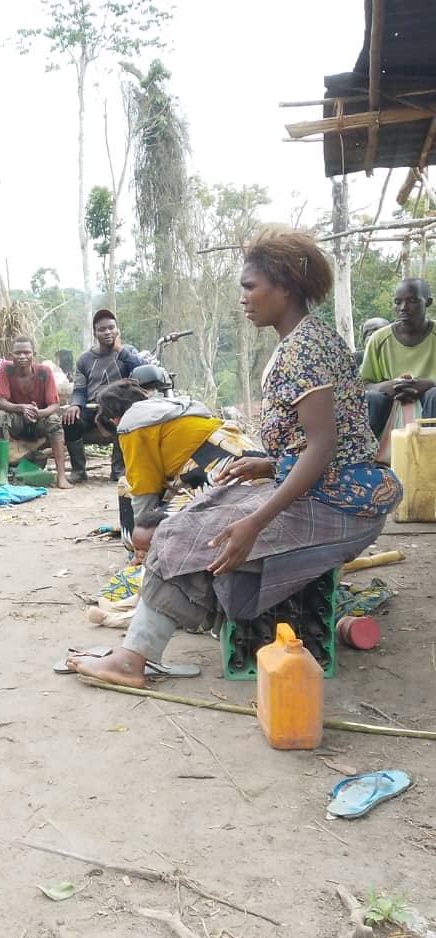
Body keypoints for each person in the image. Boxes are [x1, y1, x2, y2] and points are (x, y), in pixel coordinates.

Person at [69, 228, 401, 687]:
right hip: (335, 487)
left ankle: (134, 658)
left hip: (339, 501)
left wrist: (255, 522)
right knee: (199, 513)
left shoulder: (304, 350)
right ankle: (139, 650)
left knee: (193, 533)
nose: (243, 299)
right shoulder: (310, 339)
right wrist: (267, 465)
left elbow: (323, 448)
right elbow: (324, 440)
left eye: (250, 287)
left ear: (284, 285)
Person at [95, 379, 266, 549]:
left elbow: (144, 487)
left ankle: (137, 550)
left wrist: (141, 535)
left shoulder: (132, 424)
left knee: (126, 488)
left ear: (113, 419)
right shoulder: (175, 408)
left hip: (222, 478)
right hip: (257, 468)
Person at [63, 309, 142, 481]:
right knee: (70, 420)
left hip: (116, 408)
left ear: (117, 330)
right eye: (102, 329)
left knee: (126, 420)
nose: (107, 332)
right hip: (92, 408)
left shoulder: (126, 352)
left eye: (111, 328)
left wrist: (119, 349)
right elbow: (79, 389)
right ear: (95, 333)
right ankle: (78, 471)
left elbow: (139, 369)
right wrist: (75, 404)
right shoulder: (85, 359)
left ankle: (118, 470)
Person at [360, 278, 436, 449]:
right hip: (390, 411)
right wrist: (383, 387)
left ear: (428, 302)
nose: (403, 307)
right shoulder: (379, 339)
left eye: (412, 301)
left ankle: (430, 455)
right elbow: (362, 384)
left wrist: (430, 384)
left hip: (430, 410)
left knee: (434, 395)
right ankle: (368, 457)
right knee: (372, 398)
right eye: (397, 302)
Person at [0, 337, 71, 489]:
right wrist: (22, 408)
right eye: (18, 353)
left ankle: (61, 477)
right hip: (17, 421)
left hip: (39, 422)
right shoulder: (6, 369)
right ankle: (1, 474)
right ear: (11, 355)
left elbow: (54, 405)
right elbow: (2, 403)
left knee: (55, 421)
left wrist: (39, 413)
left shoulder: (44, 372)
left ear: (33, 354)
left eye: (26, 353)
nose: (22, 357)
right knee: (2, 417)